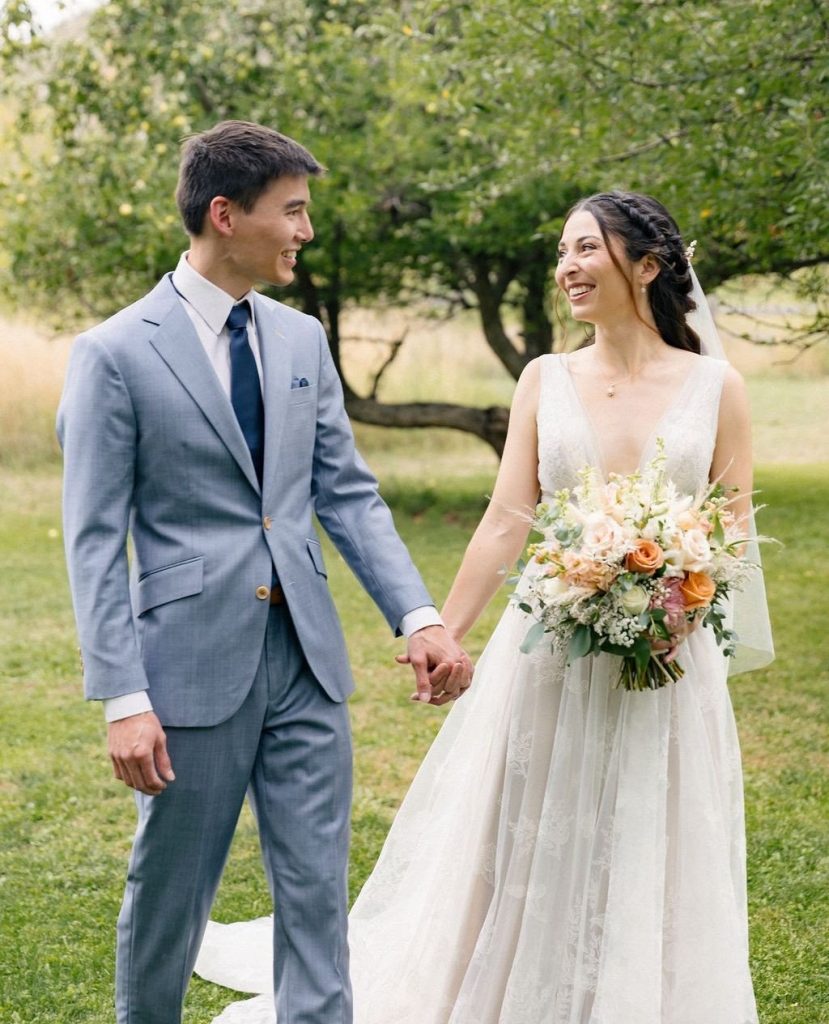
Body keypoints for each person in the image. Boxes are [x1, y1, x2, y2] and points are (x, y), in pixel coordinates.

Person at [195, 191, 773, 1024]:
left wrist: (681, 599)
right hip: (547, 644)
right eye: (563, 252)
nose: (566, 268)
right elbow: (509, 516)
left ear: (645, 267)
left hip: (671, 651)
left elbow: (732, 520)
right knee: (529, 822)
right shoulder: (544, 378)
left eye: (586, 250)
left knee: (653, 818)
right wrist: (444, 631)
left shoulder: (717, 386)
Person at [57, 119, 473, 1024]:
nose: (304, 231)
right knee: (171, 895)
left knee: (317, 894)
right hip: (186, 674)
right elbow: (92, 539)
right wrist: (123, 698)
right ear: (224, 214)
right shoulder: (114, 354)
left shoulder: (299, 341)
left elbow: (347, 495)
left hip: (308, 663)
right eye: (291, 211)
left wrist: (418, 615)